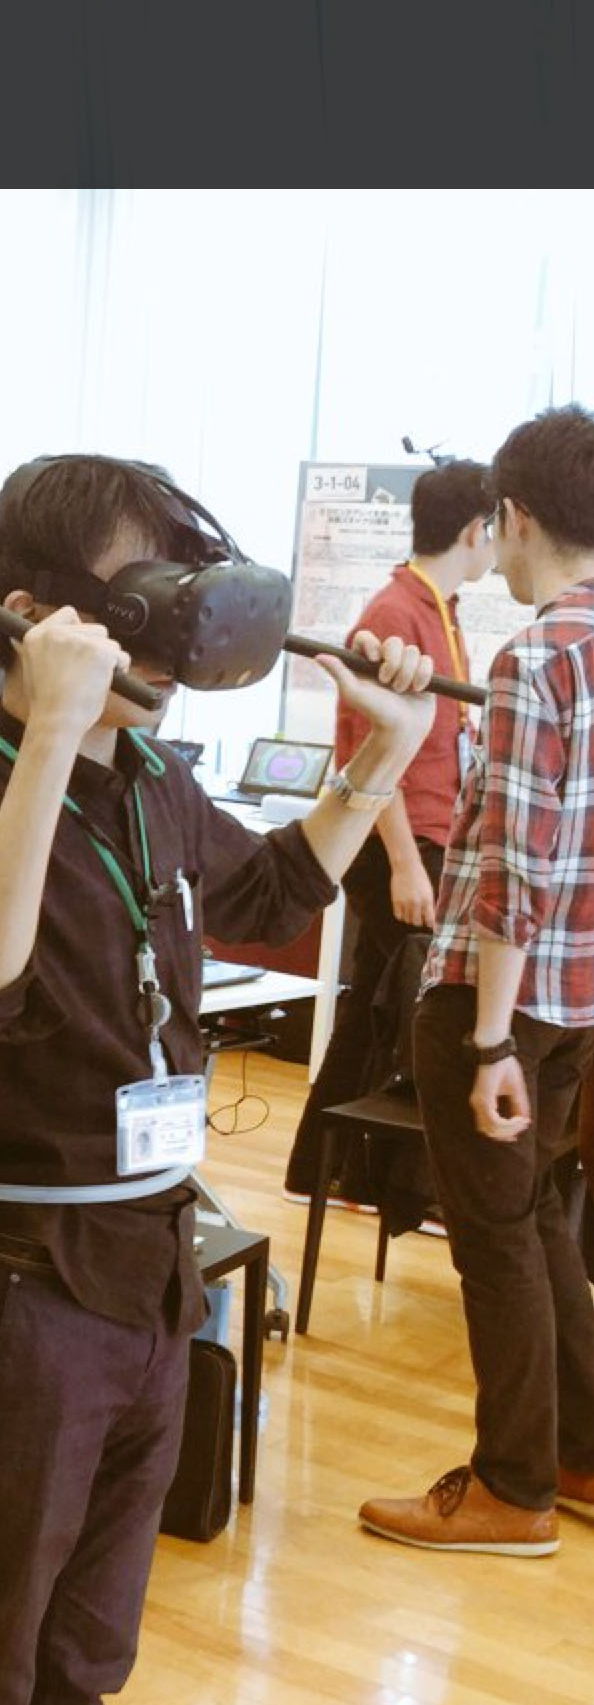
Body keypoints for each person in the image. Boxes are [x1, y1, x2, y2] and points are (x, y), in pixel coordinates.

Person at [0, 453, 434, 1705]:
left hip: (148, 1269)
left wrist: (383, 751)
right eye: (143, 597)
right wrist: (50, 735)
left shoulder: (153, 785)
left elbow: (273, 893)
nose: (172, 638)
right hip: (22, 1292)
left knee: (86, 1653)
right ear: (34, 617)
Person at [359, 406, 594, 1558]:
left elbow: (512, 865)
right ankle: (576, 1453)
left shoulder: (535, 656)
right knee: (535, 1221)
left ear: (512, 517)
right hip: (579, 1000)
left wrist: (489, 1038)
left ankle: (511, 1487)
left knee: (494, 1242)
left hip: (495, 1001)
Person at [284, 458, 496, 1201]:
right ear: (475, 529)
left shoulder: (441, 609)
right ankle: (348, 1173)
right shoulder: (392, 615)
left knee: (372, 1003)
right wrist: (406, 863)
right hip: (398, 846)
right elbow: (367, 752)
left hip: (433, 836)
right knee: (394, 1006)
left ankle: (328, 1172)